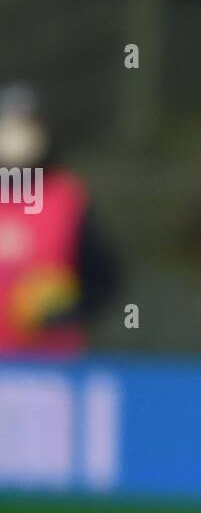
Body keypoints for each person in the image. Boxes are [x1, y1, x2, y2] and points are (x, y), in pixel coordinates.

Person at [0, 84, 120, 355]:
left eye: (25, 125)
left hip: (50, 371)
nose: (14, 136)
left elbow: (104, 279)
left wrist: (67, 310)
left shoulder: (65, 199)